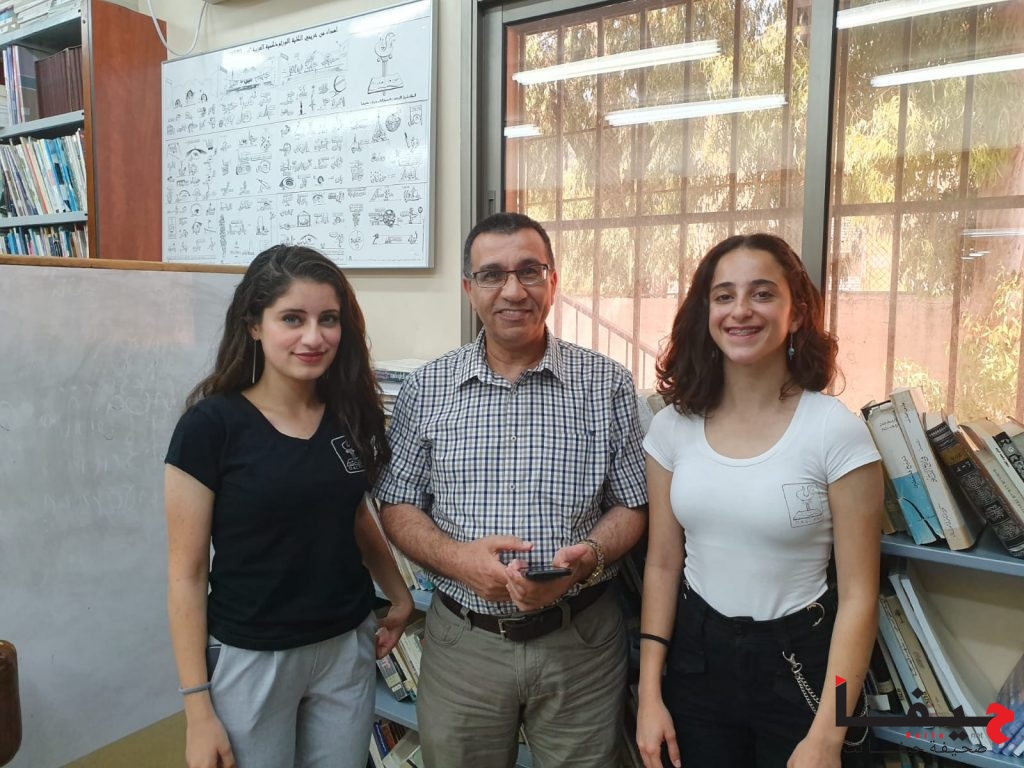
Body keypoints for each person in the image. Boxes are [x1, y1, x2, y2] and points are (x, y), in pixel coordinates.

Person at [374, 211, 648, 767]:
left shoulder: (607, 384)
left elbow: (633, 504)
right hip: (464, 644)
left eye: (529, 271)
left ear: (553, 281)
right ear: (469, 289)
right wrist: (458, 561)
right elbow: (397, 504)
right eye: (493, 275)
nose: (513, 290)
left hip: (581, 643)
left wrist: (588, 558)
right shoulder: (427, 388)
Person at [635, 233, 882, 768]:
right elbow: (661, 564)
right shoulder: (671, 427)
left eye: (762, 293)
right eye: (723, 296)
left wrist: (828, 736)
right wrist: (649, 694)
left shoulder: (835, 431)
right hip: (696, 661)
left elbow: (860, 596)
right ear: (706, 312)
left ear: (797, 313)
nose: (741, 310)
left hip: (800, 663)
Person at [164, 245, 413, 768]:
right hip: (254, 654)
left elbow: (352, 514)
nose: (314, 337)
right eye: (292, 319)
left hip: (345, 644)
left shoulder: (345, 414)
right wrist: (197, 710)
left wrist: (398, 594)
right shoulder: (209, 427)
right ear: (254, 325)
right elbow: (186, 574)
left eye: (329, 319)